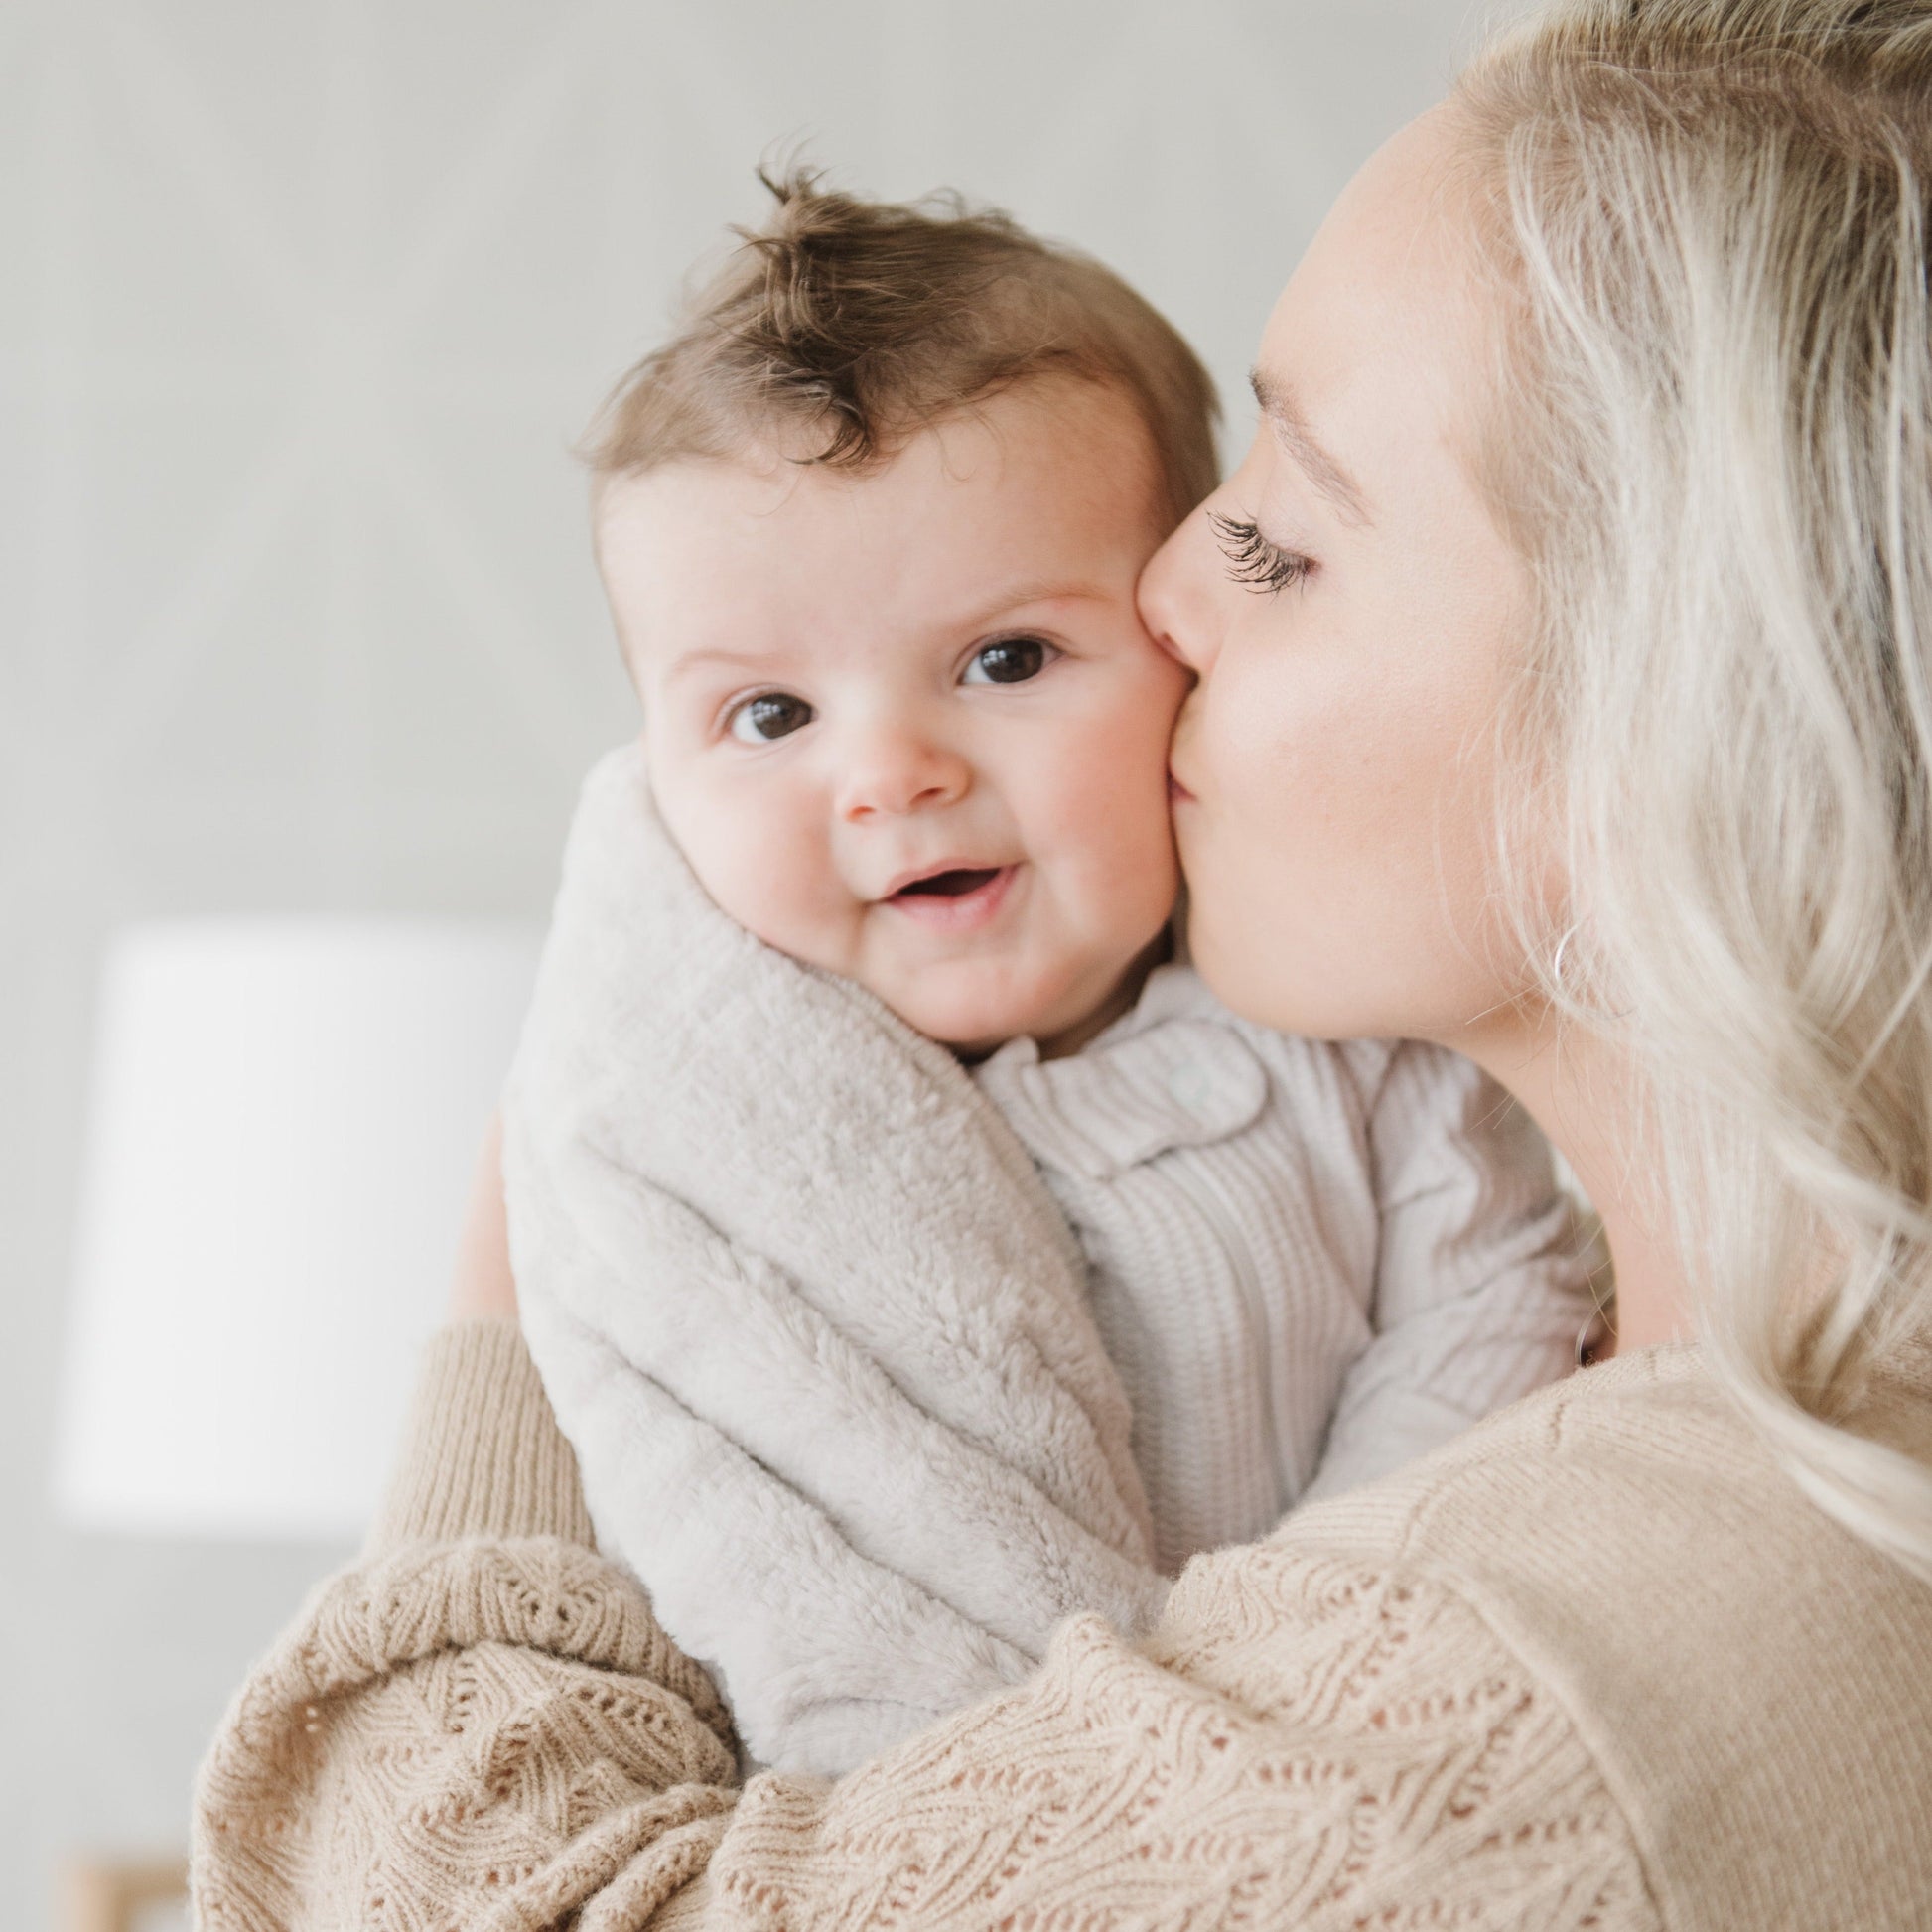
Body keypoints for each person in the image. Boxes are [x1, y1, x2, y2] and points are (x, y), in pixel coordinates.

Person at [192, 4, 1932, 1926]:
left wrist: (528, 1256)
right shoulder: (1679, 1369)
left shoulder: (1525, 1702)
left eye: (1283, 537)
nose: (1169, 589)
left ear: (1672, 720)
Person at [502, 172, 1595, 1777]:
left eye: (1004, 660)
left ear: (1180, 632)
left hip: (1332, 1743)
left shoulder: (1338, 1032)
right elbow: (713, 1508)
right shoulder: (715, 1139)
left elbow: (1497, 1297)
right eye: (769, 716)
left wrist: (1305, 1638)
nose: (888, 775)